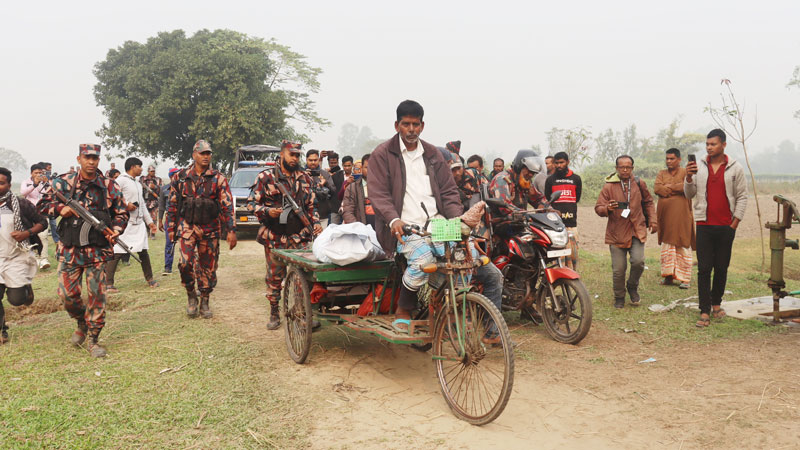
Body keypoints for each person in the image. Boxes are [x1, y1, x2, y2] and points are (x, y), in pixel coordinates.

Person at [368, 100, 464, 334]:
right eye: (406, 124)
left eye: (415, 124)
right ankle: (404, 308)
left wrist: (458, 221)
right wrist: (393, 220)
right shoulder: (382, 154)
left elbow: (449, 192)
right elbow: (378, 194)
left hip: (437, 223)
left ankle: (453, 306)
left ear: (422, 126)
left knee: (461, 258)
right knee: (423, 260)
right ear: (397, 125)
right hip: (403, 227)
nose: (411, 129)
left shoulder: (432, 154)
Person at [38, 144, 129, 357]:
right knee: (67, 294)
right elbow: (42, 205)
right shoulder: (63, 182)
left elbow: (122, 212)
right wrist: (62, 209)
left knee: (97, 294)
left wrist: (116, 230)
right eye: (87, 158)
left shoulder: (109, 186)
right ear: (79, 159)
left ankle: (94, 339)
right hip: (70, 250)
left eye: (95, 158)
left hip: (97, 251)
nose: (91, 162)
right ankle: (81, 320)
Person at [248, 140, 321, 330]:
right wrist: (266, 211)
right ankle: (274, 311)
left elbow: (311, 206)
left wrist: (317, 224)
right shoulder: (266, 177)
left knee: (302, 276)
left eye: (298, 155)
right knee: (274, 277)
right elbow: (250, 204)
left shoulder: (305, 178)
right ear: (282, 154)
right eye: (292, 154)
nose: (295, 158)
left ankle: (300, 312)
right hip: (275, 237)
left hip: (300, 237)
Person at [166, 140, 237, 319]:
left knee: (208, 268)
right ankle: (191, 295)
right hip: (187, 227)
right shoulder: (181, 177)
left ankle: (204, 300)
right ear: (194, 155)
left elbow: (227, 205)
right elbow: (173, 204)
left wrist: (231, 230)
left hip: (210, 228)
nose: (206, 156)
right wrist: (171, 228)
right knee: (185, 263)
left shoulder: (218, 178)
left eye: (208, 153)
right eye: (202, 153)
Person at [685, 129, 747, 328]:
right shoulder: (699, 167)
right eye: (707, 144)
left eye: (713, 144)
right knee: (704, 269)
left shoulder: (735, 168)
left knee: (721, 268)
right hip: (704, 225)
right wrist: (687, 178)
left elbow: (742, 196)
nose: (709, 147)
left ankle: (716, 304)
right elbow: (689, 194)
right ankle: (704, 311)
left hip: (726, 227)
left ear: (723, 145)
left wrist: (735, 222)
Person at [594, 155, 657, 309]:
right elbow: (598, 207)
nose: (625, 169)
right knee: (618, 269)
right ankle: (619, 296)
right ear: (616, 168)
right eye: (621, 167)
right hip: (617, 232)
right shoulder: (609, 186)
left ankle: (632, 286)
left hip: (637, 229)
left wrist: (653, 220)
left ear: (632, 168)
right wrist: (606, 209)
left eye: (628, 167)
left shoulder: (638, 183)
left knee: (638, 262)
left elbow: (648, 202)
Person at [0, 167, 47, 344]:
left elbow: (42, 222)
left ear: (9, 185)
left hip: (17, 256)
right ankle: (2, 331)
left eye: (1, 183)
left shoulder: (20, 204)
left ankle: (26, 288)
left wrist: (26, 233)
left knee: (16, 300)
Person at [104, 157, 159, 293]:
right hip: (124, 223)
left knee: (143, 251)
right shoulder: (121, 180)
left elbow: (142, 205)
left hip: (139, 223)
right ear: (133, 167)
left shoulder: (138, 183)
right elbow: (112, 198)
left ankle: (150, 279)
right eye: (139, 166)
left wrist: (150, 222)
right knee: (117, 251)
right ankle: (108, 283)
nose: (141, 169)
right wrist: (125, 205)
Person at [654, 148, 695, 289]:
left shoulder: (686, 172)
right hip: (665, 217)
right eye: (667, 158)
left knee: (683, 243)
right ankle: (668, 277)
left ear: (679, 159)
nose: (669, 161)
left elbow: (687, 187)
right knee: (667, 244)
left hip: (682, 216)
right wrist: (675, 188)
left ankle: (685, 279)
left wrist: (669, 187)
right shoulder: (661, 173)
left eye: (672, 159)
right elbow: (657, 188)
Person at [544, 152, 582, 270]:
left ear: (567, 162)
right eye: (557, 163)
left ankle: (572, 278)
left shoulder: (576, 179)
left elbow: (577, 198)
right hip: (556, 225)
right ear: (554, 164)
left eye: (562, 162)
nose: (559, 165)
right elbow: (548, 200)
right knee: (558, 256)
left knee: (572, 255)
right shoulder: (550, 180)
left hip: (571, 223)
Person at [489, 150, 548, 217]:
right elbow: (505, 207)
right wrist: (525, 215)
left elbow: (537, 199)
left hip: (520, 223)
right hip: (502, 223)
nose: (531, 175)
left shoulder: (524, 181)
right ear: (519, 167)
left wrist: (548, 208)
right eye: (529, 171)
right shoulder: (502, 179)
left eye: (533, 173)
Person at [20, 163, 50, 269]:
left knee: (44, 236)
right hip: (28, 213)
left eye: (40, 173)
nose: (38, 175)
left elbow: (49, 194)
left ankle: (44, 258)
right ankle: (35, 258)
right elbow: (23, 192)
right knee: (31, 236)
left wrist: (47, 183)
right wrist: (34, 185)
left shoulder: (44, 183)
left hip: (42, 212)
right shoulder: (26, 182)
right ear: (31, 173)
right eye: (36, 173)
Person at [342, 154, 375, 227]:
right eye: (367, 167)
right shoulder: (352, 188)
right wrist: (358, 228)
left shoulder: (384, 187)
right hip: (360, 231)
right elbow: (348, 212)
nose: (370, 170)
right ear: (362, 168)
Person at [158, 168, 180, 275]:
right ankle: (168, 267)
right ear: (171, 176)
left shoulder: (184, 188)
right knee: (169, 243)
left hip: (182, 219)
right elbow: (161, 206)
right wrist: (160, 221)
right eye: (176, 174)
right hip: (170, 219)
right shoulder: (164, 189)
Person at [306, 150, 334, 228]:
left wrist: (325, 183)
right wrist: (304, 178)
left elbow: (333, 191)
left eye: (315, 160)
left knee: (322, 239)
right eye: (310, 160)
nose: (313, 162)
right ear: (306, 160)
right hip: (305, 216)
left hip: (323, 216)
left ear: (318, 160)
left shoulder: (325, 174)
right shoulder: (300, 173)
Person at [330, 155, 354, 224]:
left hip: (350, 208)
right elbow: (332, 190)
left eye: (349, 166)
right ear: (342, 165)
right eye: (345, 166)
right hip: (336, 207)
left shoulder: (356, 177)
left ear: (352, 165)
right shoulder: (335, 176)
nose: (347, 168)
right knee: (333, 229)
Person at [141, 165, 162, 237]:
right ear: (148, 171)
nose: (153, 172)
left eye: (154, 171)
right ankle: (147, 232)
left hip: (154, 201)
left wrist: (155, 187)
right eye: (151, 171)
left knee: (154, 218)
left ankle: (153, 234)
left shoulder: (158, 179)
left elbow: (162, 189)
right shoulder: (143, 179)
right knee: (145, 218)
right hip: (145, 201)